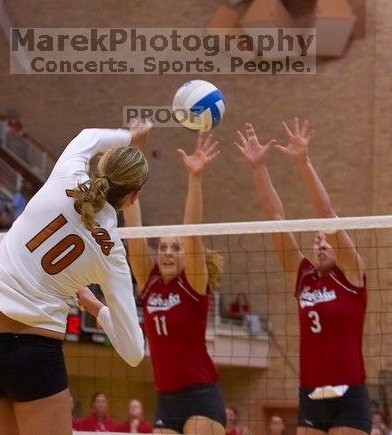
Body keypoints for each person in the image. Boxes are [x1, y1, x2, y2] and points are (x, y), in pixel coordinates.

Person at [0, 122, 151, 435]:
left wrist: (130, 136)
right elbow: (133, 352)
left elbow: (89, 135)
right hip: (32, 357)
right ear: (133, 198)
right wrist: (95, 306)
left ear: (100, 164)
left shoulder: (67, 174)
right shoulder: (112, 255)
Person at [237, 119, 371, 435]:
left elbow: (327, 214)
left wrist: (303, 162)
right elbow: (275, 218)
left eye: (327, 239)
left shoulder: (351, 274)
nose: (320, 241)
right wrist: (258, 169)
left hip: (349, 394)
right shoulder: (303, 276)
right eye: (316, 238)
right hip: (310, 393)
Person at [123, 132, 225, 435]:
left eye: (174, 248)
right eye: (163, 246)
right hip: (165, 399)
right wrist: (133, 155)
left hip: (201, 396)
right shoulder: (150, 281)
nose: (167, 251)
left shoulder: (192, 284)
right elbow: (134, 229)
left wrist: (195, 178)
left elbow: (192, 233)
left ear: (185, 256)